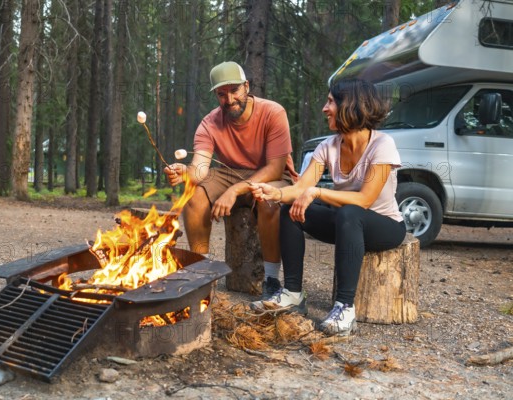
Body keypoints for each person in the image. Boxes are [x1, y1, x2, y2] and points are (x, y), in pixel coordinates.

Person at [249, 78, 407, 336]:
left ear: (351, 105)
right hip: (346, 224)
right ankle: (292, 293)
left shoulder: (382, 144)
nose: (325, 108)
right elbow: (300, 189)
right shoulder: (328, 147)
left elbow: (365, 200)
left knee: (350, 212)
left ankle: (345, 308)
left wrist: (318, 192)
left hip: (385, 225)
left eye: (331, 101)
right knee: (290, 210)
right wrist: (276, 192)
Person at [164, 61, 298, 299]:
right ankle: (201, 272)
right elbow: (200, 169)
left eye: (234, 90)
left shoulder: (273, 112)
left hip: (271, 175)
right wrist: (184, 172)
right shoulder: (209, 123)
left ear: (246, 86)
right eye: (221, 94)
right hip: (230, 173)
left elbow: (276, 168)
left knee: (267, 199)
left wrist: (235, 190)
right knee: (193, 194)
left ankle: (271, 280)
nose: (229, 99)